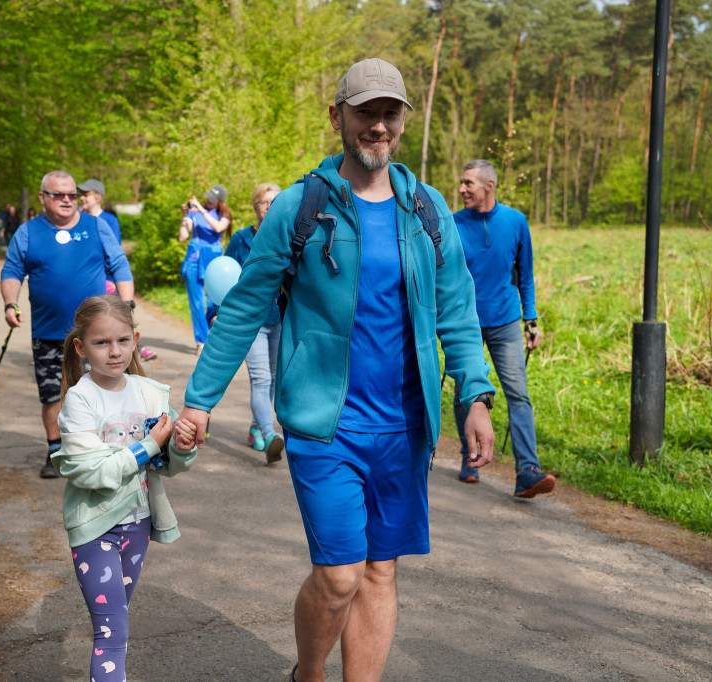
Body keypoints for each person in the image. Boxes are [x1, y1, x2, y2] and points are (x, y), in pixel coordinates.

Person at [178, 58, 496, 682]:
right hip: (326, 423)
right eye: (365, 113)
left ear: (402, 120)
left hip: (405, 426)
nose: (378, 126)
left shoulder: (426, 208)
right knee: (340, 575)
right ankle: (309, 674)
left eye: (389, 114)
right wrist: (200, 399)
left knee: (380, 571)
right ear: (337, 117)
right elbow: (244, 308)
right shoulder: (301, 206)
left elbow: (458, 309)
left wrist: (475, 395)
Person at [54, 295, 197, 682]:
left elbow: (166, 465)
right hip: (95, 527)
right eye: (101, 343)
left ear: (135, 340)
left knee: (116, 621)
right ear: (81, 347)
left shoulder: (149, 393)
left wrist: (182, 447)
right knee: (112, 633)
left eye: (121, 340)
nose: (114, 351)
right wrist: (149, 445)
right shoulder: (80, 400)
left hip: (138, 525)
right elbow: (91, 471)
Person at [1, 171, 136, 479]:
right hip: (47, 332)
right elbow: (12, 270)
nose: (66, 200)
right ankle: (55, 451)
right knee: (52, 394)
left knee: (103, 389)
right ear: (42, 197)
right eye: (58, 194)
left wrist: (127, 304)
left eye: (71, 195)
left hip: (95, 334)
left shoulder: (96, 226)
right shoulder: (27, 232)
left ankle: (104, 446)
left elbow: (118, 263)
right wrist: (10, 303)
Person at [453, 159, 556, 499]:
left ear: (489, 186)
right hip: (465, 323)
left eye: (468, 183)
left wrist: (531, 319)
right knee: (466, 394)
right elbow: (445, 277)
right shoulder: (453, 224)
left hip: (506, 321)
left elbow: (525, 274)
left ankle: (527, 470)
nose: (462, 189)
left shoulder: (515, 221)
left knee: (518, 394)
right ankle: (470, 457)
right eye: (462, 182)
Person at [224, 182, 284, 463]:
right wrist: (219, 310)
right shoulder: (241, 239)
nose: (269, 207)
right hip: (252, 320)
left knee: (272, 378)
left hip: (280, 318)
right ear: (255, 207)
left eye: (274, 201)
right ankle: (270, 435)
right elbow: (223, 273)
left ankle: (256, 427)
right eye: (263, 202)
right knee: (261, 379)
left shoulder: (288, 236)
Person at [79, 178, 157, 361]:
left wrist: (113, 280)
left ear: (98, 197)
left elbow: (115, 253)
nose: (81, 198)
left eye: (86, 194)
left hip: (107, 280)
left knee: (115, 317)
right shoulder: (77, 220)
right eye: (81, 195)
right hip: (85, 280)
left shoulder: (109, 220)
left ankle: (135, 348)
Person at [178, 184, 232, 354]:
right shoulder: (194, 213)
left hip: (214, 261)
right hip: (194, 259)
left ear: (220, 201)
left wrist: (201, 210)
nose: (209, 200)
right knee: (196, 302)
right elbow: (183, 236)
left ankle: (209, 332)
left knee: (213, 302)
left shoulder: (224, 215)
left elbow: (218, 228)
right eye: (208, 197)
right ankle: (201, 340)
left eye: (213, 199)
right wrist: (185, 215)